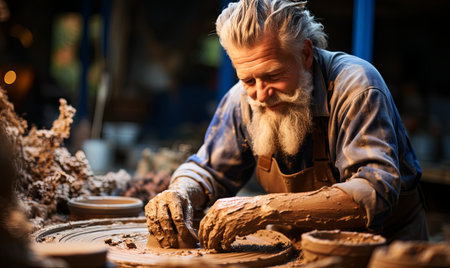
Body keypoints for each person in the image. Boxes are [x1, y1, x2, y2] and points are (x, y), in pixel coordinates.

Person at [145, 0, 429, 251]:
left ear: (305, 54)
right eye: (248, 80)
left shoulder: (356, 86)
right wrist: (181, 190)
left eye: (273, 75)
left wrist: (265, 209)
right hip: (298, 247)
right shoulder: (243, 99)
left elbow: (375, 191)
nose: (261, 93)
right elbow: (209, 170)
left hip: (384, 248)